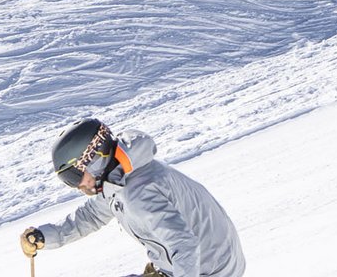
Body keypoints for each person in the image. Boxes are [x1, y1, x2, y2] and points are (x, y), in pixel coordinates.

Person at [20, 119, 244, 277]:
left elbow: (184, 246)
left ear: (94, 159)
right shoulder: (119, 178)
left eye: (74, 176)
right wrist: (45, 236)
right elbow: (89, 216)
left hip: (210, 270)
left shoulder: (139, 191)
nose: (77, 186)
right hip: (195, 266)